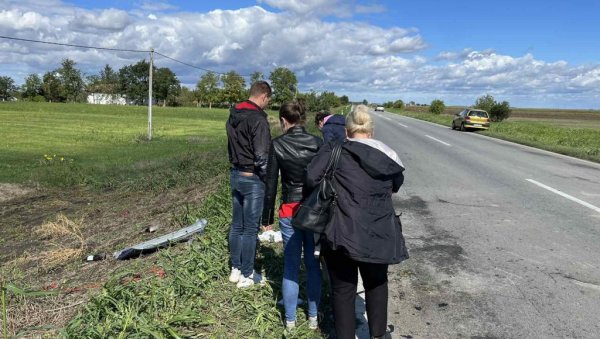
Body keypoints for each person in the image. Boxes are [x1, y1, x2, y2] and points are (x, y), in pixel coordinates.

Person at [306, 104, 408, 339]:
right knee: (377, 283)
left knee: (343, 290)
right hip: (380, 229)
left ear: (347, 131)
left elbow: (311, 177)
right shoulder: (389, 153)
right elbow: (396, 185)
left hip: (341, 230)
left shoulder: (336, 149)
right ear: (370, 131)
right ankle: (378, 336)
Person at [261, 101, 323, 330]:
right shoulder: (318, 143)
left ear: (284, 121)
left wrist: (266, 219)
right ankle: (314, 318)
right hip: (314, 211)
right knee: (312, 263)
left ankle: (289, 321)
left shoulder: (277, 145)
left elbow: (270, 184)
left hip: (289, 210)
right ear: (303, 119)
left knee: (290, 264)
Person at [226, 80, 272, 288]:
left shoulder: (233, 115)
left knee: (237, 225)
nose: (267, 104)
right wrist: (265, 177)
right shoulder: (258, 120)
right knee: (250, 229)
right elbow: (262, 155)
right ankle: (247, 274)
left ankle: (235, 268)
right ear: (263, 96)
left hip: (235, 173)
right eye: (268, 100)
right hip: (252, 177)